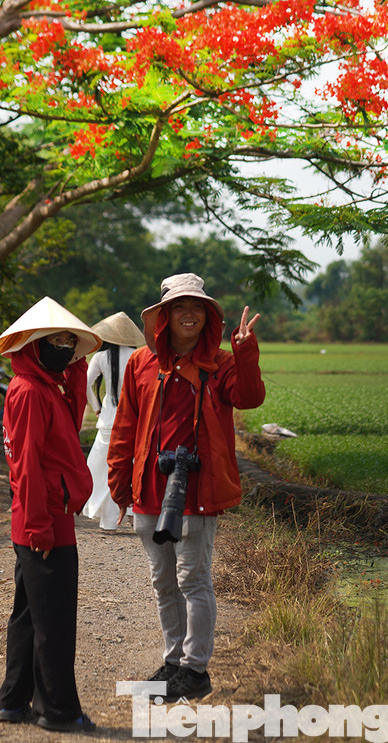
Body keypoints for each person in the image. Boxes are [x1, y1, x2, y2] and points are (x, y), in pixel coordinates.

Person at [107, 273, 264, 702]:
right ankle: (173, 661)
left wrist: (245, 349)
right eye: (180, 307)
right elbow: (125, 427)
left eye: (197, 307)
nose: (189, 314)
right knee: (163, 582)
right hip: (149, 491)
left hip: (197, 491)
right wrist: (120, 485)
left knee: (193, 579)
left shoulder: (222, 363)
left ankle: (195, 670)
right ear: (164, 316)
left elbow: (250, 397)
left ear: (207, 315)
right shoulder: (142, 363)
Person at [0, 297, 102, 733]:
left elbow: (71, 423)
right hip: (44, 522)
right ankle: (57, 710)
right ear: (34, 345)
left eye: (68, 342)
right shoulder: (30, 392)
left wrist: (74, 368)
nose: (62, 348)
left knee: (28, 613)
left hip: (43, 517)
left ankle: (13, 700)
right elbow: (26, 464)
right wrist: (38, 523)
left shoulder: (45, 388)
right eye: (54, 341)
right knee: (54, 620)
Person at [82, 312, 146, 530]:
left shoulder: (100, 357)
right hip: (134, 419)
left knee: (104, 468)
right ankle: (133, 515)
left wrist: (97, 408)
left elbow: (87, 384)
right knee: (133, 466)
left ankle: (109, 521)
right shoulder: (138, 355)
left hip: (109, 419)